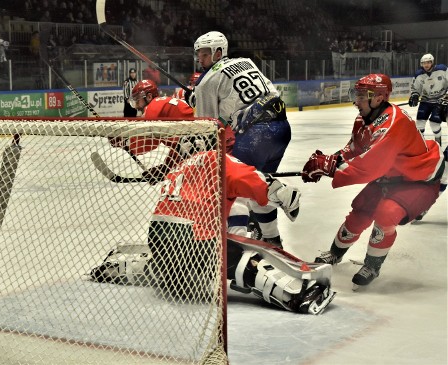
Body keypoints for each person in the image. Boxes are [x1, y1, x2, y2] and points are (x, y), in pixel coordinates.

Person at [92, 101, 333, 313]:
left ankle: (119, 268)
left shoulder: (181, 166)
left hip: (159, 235)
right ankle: (295, 294)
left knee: (173, 265)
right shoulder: (219, 160)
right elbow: (263, 187)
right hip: (192, 237)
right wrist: (289, 198)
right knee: (238, 257)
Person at [301, 74, 444, 289]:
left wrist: (329, 167)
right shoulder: (363, 120)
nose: (355, 101)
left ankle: (372, 266)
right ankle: (335, 253)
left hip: (418, 180)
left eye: (360, 96)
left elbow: (368, 167)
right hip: (391, 176)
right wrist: (329, 160)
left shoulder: (393, 122)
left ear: (378, 98)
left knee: (386, 214)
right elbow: (353, 150)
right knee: (360, 212)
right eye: (356, 94)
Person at [192, 31, 292, 247]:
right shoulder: (245, 62)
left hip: (256, 135)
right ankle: (273, 240)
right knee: (255, 189)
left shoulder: (205, 83)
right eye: (198, 54)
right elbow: (265, 94)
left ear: (219, 52)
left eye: (205, 54)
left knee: (232, 188)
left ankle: (236, 248)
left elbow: (208, 126)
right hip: (282, 128)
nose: (200, 59)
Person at [408, 53, 448, 146]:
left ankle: (438, 144)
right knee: (419, 124)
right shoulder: (419, 74)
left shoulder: (442, 69)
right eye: (424, 63)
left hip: (440, 101)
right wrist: (414, 96)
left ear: (432, 62)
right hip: (425, 101)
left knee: (434, 124)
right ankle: (420, 146)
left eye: (428, 62)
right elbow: (415, 88)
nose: (426, 65)